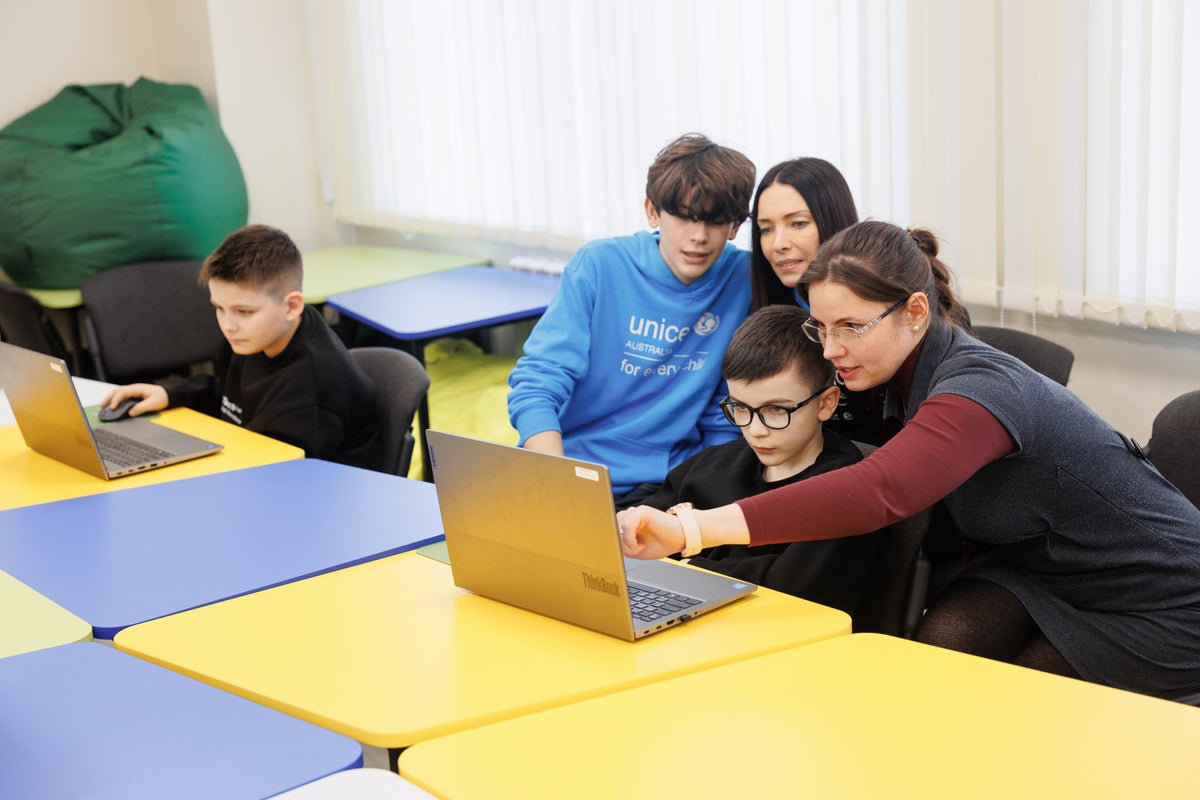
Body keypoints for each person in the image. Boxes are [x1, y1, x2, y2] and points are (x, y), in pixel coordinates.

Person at [619, 219, 1200, 697]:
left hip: (1158, 596)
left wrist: (689, 528)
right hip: (1040, 569)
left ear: (916, 313)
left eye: (850, 327)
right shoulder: (889, 377)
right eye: (820, 328)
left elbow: (878, 490)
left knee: (1024, 700)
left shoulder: (980, 390)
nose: (832, 350)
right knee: (940, 657)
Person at [507, 133, 756, 505]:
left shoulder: (746, 279)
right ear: (653, 211)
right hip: (569, 471)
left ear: (735, 226)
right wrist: (555, 482)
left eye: (716, 221)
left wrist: (712, 487)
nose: (699, 236)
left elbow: (726, 408)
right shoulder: (599, 264)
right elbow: (539, 381)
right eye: (685, 217)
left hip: (672, 484)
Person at [634, 305, 881, 616]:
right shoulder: (711, 464)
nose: (754, 430)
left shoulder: (845, 490)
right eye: (740, 407)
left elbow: (790, 591)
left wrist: (684, 560)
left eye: (776, 410)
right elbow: (643, 541)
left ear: (826, 404)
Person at [100, 224, 385, 471]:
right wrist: (169, 394)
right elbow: (228, 396)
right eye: (219, 308)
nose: (228, 325)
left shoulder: (310, 396)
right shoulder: (254, 338)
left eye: (244, 311)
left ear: (292, 306)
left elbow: (284, 479)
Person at [749, 157, 892, 445]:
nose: (778, 244)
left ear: (832, 220)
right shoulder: (768, 304)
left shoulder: (884, 301)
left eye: (797, 223)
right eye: (766, 229)